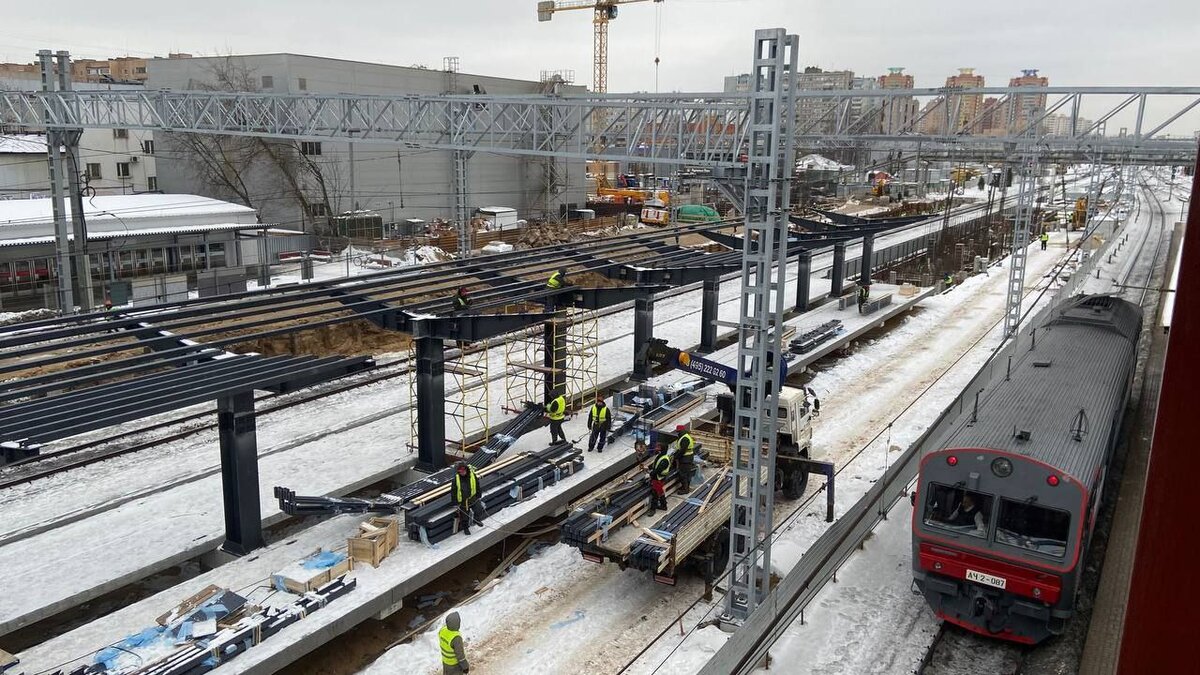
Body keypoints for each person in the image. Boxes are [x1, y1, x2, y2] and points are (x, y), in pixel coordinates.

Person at [450, 461, 485, 536]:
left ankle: (477, 520)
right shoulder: (456, 479)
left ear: (466, 470)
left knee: (478, 509)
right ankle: (465, 528)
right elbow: (453, 491)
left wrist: (479, 494)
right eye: (460, 472)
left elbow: (477, 484)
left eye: (463, 472)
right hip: (463, 501)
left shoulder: (472, 475)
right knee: (464, 517)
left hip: (473, 497)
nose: (461, 473)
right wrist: (455, 502)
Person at [647, 442, 672, 515]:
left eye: (658, 447)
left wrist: (650, 474)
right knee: (660, 492)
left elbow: (658, 470)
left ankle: (652, 509)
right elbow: (656, 464)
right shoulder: (660, 456)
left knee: (655, 493)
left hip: (659, 478)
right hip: (658, 478)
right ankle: (664, 506)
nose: (656, 448)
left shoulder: (665, 460)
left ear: (661, 449)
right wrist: (648, 468)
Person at [673, 424, 697, 493]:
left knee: (683, 474)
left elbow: (682, 450)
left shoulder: (684, 438)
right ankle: (686, 487)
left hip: (685, 459)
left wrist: (676, 457)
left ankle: (685, 489)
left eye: (678, 431)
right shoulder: (685, 436)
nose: (677, 433)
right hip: (688, 458)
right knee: (687, 474)